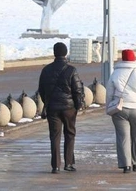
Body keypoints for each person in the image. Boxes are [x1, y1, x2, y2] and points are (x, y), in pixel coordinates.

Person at [38, 42, 85, 173]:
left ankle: (55, 166)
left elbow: (41, 90)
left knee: (55, 136)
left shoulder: (46, 70)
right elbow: (77, 90)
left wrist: (47, 102)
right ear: (65, 53)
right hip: (69, 108)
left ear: (54, 53)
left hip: (52, 108)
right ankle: (68, 163)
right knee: (70, 134)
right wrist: (77, 105)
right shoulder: (71, 70)